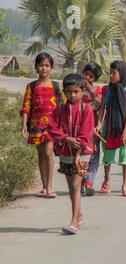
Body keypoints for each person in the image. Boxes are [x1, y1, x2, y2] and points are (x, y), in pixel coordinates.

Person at [48, 74, 94, 235]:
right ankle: (79, 215)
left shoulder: (86, 109)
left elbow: (86, 133)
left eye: (75, 91)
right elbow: (51, 127)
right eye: (68, 92)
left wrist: (78, 153)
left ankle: (74, 222)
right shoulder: (60, 109)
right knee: (71, 187)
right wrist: (64, 138)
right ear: (64, 92)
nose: (72, 95)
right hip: (65, 152)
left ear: (82, 91)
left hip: (82, 154)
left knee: (76, 185)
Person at [20, 52, 63, 198]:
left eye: (47, 65)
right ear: (36, 67)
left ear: (51, 68)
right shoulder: (31, 86)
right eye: (41, 65)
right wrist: (24, 125)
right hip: (36, 125)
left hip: (51, 126)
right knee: (41, 155)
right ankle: (44, 187)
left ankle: (50, 187)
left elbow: (61, 106)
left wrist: (62, 126)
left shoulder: (56, 86)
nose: (44, 68)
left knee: (48, 153)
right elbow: (26, 106)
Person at [94, 61, 126, 197]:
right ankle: (106, 180)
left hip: (125, 127)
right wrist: (99, 124)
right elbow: (102, 108)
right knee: (108, 155)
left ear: (123, 74)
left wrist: (125, 133)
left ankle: (125, 185)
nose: (111, 76)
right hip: (110, 127)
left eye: (114, 73)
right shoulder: (107, 90)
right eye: (110, 73)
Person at [81, 62, 103, 196]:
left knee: (94, 155)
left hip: (93, 128)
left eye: (91, 76)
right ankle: (81, 181)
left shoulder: (98, 90)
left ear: (95, 79)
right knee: (81, 155)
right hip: (79, 129)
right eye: (86, 74)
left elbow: (100, 106)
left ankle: (89, 183)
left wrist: (91, 92)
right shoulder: (76, 89)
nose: (88, 78)